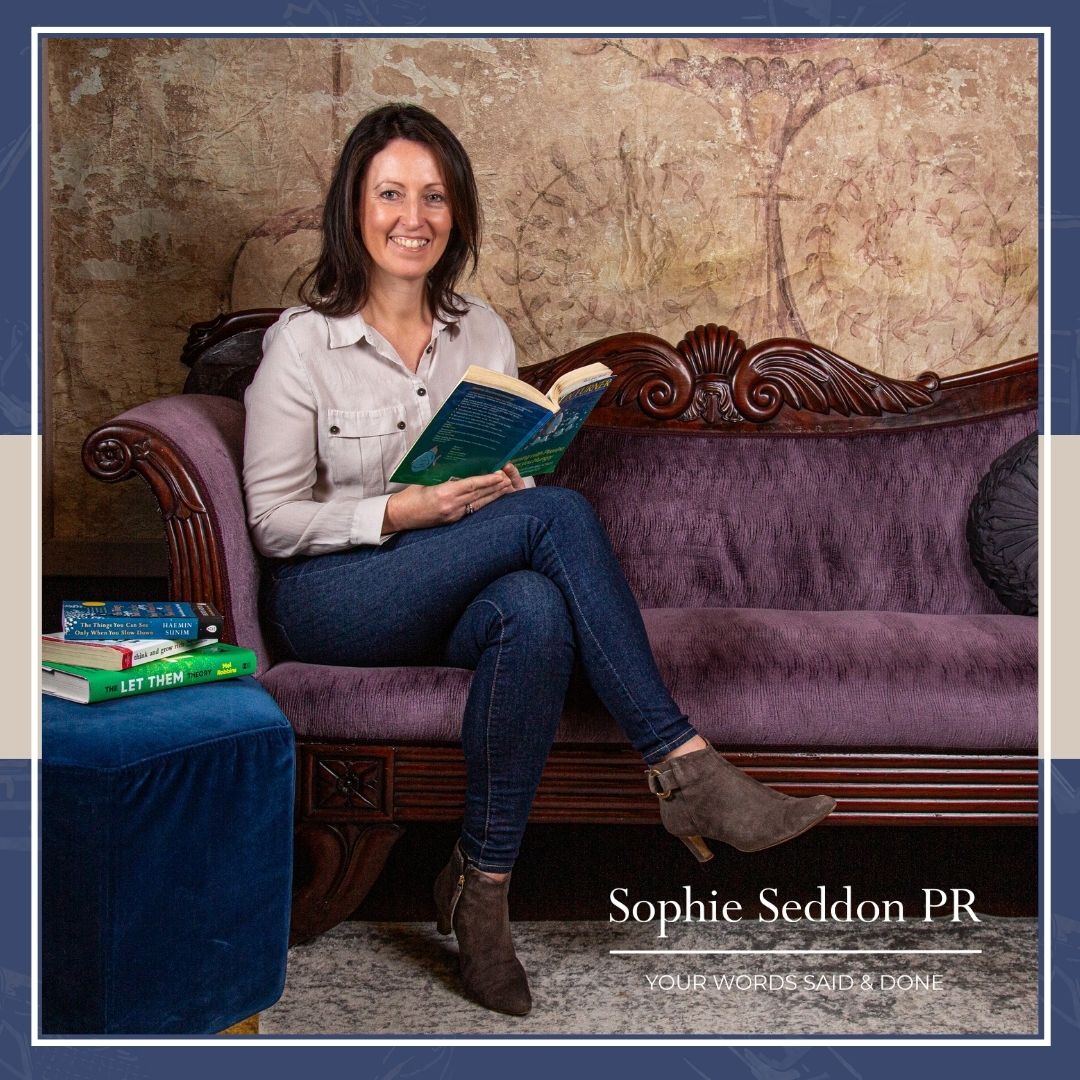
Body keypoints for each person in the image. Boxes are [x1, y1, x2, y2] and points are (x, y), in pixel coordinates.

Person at [242, 103, 835, 1018]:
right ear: (353, 211)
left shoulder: (481, 333)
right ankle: (683, 765)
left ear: (458, 212)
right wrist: (409, 508)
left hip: (455, 584)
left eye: (434, 197)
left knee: (535, 605)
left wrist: (511, 479)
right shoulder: (302, 345)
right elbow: (274, 522)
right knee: (555, 520)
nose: (414, 217)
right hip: (337, 598)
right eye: (391, 194)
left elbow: (506, 487)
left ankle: (480, 893)